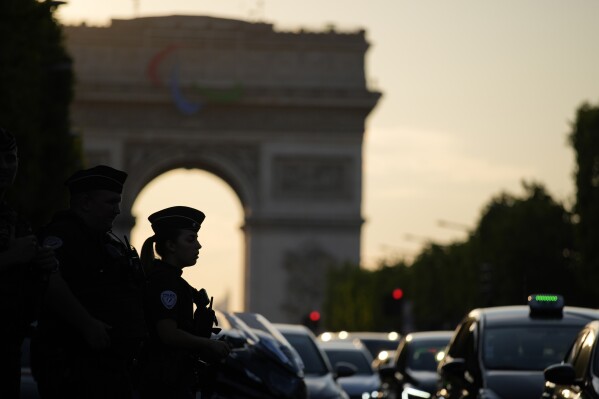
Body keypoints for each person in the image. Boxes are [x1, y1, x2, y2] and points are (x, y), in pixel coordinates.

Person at [32, 165, 147, 399]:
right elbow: (49, 282)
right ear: (85, 203)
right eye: (111, 203)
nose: (117, 210)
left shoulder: (108, 243)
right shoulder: (62, 237)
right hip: (75, 364)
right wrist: (87, 324)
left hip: (109, 367)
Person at [139, 206, 231, 399]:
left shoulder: (172, 281)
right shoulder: (166, 282)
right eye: (191, 239)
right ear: (171, 246)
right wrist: (207, 344)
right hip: (163, 384)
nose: (198, 246)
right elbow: (168, 334)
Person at [0, 127, 57, 398]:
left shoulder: (14, 217)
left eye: (10, 158)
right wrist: (10, 258)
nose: (5, 167)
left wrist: (39, 265)